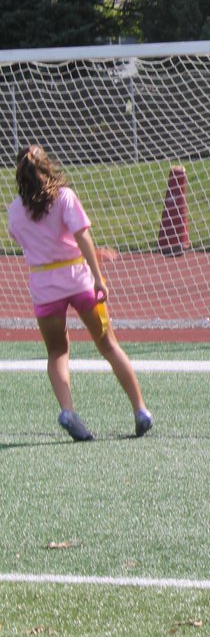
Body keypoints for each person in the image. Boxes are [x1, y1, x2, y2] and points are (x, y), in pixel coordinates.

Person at [7, 144, 152, 441]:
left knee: (57, 351)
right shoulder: (64, 197)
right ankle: (140, 410)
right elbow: (81, 237)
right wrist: (99, 277)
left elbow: (37, 243)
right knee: (108, 344)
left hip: (44, 287)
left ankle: (67, 410)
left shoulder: (14, 211)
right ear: (48, 166)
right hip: (79, 280)